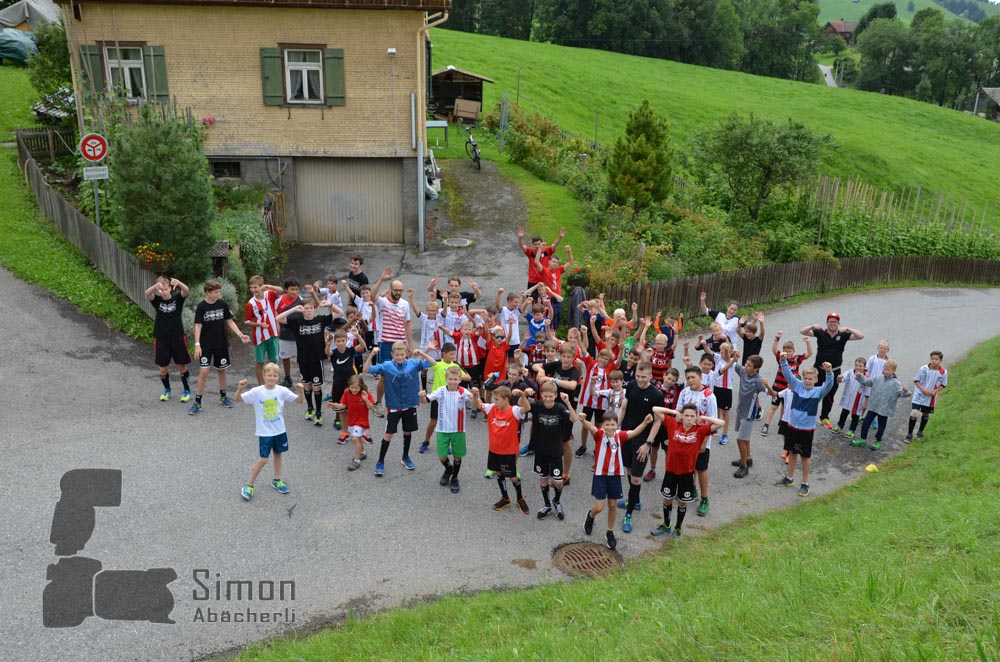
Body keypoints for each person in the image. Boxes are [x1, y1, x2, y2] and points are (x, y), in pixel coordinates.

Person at [580, 410, 652, 550]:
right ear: (603, 425)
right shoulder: (599, 434)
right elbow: (590, 427)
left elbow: (634, 432)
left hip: (615, 476)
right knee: (599, 507)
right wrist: (583, 420)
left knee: (612, 505)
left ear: (617, 424)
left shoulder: (620, 435)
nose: (610, 427)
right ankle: (591, 515)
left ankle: (610, 531)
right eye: (607, 424)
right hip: (600, 475)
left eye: (613, 424)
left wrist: (645, 422)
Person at [650, 404, 724, 538]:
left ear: (695, 417)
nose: (689, 419)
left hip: (687, 473)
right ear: (682, 416)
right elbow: (655, 409)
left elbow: (721, 423)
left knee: (682, 501)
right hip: (671, 470)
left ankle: (678, 529)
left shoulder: (700, 430)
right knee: (667, 499)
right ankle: (666, 525)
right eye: (686, 415)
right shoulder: (673, 424)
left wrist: (703, 418)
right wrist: (674, 412)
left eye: (692, 416)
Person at [234, 363, 304, 500]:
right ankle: (249, 485)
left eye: (275, 375)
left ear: (278, 377)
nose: (272, 378)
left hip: (280, 430)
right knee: (263, 459)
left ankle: (276, 480)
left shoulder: (282, 390)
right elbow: (237, 399)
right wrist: (239, 389)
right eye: (269, 375)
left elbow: (299, 401)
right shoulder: (257, 391)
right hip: (265, 433)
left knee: (278, 454)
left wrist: (301, 391)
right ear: (264, 376)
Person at [365, 342, 436, 476]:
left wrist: (422, 352)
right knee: (388, 434)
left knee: (407, 432)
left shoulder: (413, 364)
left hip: (410, 405)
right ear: (392, 354)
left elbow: (433, 363)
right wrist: (372, 354)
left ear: (406, 354)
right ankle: (380, 461)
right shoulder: (386, 366)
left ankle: (405, 457)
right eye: (397, 355)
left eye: (402, 354)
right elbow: (366, 369)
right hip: (394, 406)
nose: (399, 357)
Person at [616, 362, 666, 533]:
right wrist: (615, 428)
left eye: (644, 377)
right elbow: (624, 407)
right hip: (626, 435)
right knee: (629, 470)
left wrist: (648, 444)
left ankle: (629, 514)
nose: (640, 380)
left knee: (636, 479)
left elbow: (658, 422)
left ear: (650, 376)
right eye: (638, 376)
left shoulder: (657, 395)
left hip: (643, 440)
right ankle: (635, 500)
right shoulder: (631, 385)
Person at [774, 359, 835, 497]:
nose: (807, 381)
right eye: (805, 378)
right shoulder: (797, 385)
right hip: (792, 426)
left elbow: (829, 385)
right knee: (792, 453)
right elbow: (788, 374)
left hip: (806, 430)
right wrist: (783, 361)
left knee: (805, 457)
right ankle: (789, 478)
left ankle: (805, 483)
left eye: (810, 379)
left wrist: (829, 372)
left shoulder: (819, 392)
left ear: (816, 380)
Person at [189, 280, 250, 415]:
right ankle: (197, 402)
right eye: (216, 292)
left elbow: (229, 321)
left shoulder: (222, 304)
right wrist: (197, 344)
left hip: (221, 343)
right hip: (205, 345)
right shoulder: (201, 306)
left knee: (221, 370)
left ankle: (223, 397)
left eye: (219, 292)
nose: (218, 294)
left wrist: (240, 335)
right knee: (204, 372)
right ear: (207, 292)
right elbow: (198, 326)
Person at [518, 383, 575, 519]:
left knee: (558, 482)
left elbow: (573, 418)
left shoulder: (560, 408)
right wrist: (524, 394)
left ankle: (557, 501)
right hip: (540, 450)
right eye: (545, 396)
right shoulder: (537, 405)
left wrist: (567, 403)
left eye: (550, 396)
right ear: (541, 395)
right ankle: (547, 504)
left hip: (555, 451)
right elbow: (521, 404)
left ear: (555, 396)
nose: (548, 399)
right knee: (543, 479)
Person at [275, 294, 332, 426]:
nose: (309, 310)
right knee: (307, 386)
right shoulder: (297, 322)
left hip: (317, 359)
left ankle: (318, 413)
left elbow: (339, 313)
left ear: (314, 309)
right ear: (302, 310)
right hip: (303, 359)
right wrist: (294, 309)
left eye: (311, 308)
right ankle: (310, 408)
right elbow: (278, 318)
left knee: (316, 387)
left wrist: (330, 305)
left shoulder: (320, 320)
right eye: (306, 308)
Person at [800, 313, 865, 428]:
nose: (832, 324)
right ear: (827, 323)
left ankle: (824, 418)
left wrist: (849, 329)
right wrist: (812, 326)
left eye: (835, 322)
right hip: (818, 370)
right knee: (811, 391)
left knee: (830, 395)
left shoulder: (843, 335)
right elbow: (803, 331)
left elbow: (860, 336)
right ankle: (805, 414)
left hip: (834, 371)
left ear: (838, 324)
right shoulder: (821, 332)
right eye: (830, 321)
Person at [471, 385, 529, 514]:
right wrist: (475, 395)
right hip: (494, 450)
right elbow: (478, 405)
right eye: (494, 399)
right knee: (498, 473)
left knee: (513, 477)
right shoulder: (492, 408)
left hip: (508, 452)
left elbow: (527, 408)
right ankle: (505, 498)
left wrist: (523, 395)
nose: (494, 402)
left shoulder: (514, 411)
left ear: (506, 399)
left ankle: (520, 498)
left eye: (497, 399)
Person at [673, 365, 719, 517]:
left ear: (700, 377)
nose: (690, 380)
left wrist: (704, 442)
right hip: (686, 438)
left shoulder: (709, 396)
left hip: (701, 439)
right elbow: (678, 411)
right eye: (688, 378)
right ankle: (690, 489)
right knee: (687, 466)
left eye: (693, 377)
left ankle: (705, 499)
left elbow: (712, 422)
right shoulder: (684, 392)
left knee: (701, 468)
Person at [533, 344, 582, 484]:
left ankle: (565, 473)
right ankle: (552, 467)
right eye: (563, 356)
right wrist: (540, 371)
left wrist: (551, 380)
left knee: (565, 442)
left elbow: (572, 385)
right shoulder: (557, 365)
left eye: (568, 357)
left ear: (573, 358)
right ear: (560, 356)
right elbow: (534, 365)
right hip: (552, 406)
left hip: (566, 409)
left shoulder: (574, 371)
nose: (565, 359)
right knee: (551, 438)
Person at [421, 366, 474, 494]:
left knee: (457, 456)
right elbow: (425, 400)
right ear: (446, 379)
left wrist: (476, 396)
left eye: (455, 379)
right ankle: (449, 469)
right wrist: (422, 396)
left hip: (458, 429)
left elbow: (476, 405)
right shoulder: (440, 391)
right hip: (442, 429)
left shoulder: (464, 392)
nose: (452, 382)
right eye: (450, 379)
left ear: (460, 380)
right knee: (442, 456)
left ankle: (455, 478)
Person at [371, 267, 412, 413]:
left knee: (402, 374)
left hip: (401, 344)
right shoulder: (382, 302)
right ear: (390, 290)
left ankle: (400, 402)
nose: (398, 293)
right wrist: (381, 279)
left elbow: (407, 324)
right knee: (385, 376)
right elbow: (372, 296)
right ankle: (378, 402)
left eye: (400, 290)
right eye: (396, 290)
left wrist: (410, 345)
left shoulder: (405, 304)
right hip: (386, 343)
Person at [145, 276, 191, 403]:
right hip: (161, 338)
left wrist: (179, 282)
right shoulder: (157, 301)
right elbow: (147, 293)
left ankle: (186, 390)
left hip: (177, 338)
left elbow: (186, 291)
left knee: (181, 365)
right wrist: (155, 287)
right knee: (163, 368)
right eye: (161, 290)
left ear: (170, 288)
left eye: (166, 289)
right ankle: (167, 389)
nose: (164, 292)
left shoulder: (177, 299)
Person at [418, 342, 470, 454]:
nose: (453, 356)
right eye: (451, 354)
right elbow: (421, 360)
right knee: (433, 421)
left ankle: (447, 444)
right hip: (438, 397)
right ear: (444, 354)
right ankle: (426, 441)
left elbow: (468, 377)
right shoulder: (438, 363)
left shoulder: (456, 365)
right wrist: (426, 349)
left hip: (452, 398)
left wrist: (456, 377)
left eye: (454, 354)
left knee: (449, 421)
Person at [731, 355, 775, 478]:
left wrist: (767, 385)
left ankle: (744, 466)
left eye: (749, 365)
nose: (745, 366)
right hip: (740, 410)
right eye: (746, 363)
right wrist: (730, 353)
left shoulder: (758, 381)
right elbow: (730, 362)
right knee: (745, 438)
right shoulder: (743, 371)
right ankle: (747, 458)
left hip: (749, 414)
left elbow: (772, 394)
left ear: (756, 369)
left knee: (740, 439)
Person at [853, 360, 910, 451]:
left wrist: (906, 391)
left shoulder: (896, 383)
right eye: (885, 369)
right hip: (873, 406)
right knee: (866, 422)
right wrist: (860, 377)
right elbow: (866, 382)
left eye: (888, 370)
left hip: (885, 409)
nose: (886, 371)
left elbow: (902, 394)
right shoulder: (878, 378)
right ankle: (862, 439)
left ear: (894, 371)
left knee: (881, 425)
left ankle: (877, 441)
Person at [762, 332, 812, 437]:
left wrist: (808, 342)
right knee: (774, 406)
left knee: (785, 406)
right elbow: (774, 350)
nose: (788, 353)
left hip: (790, 388)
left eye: (790, 351)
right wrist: (777, 338)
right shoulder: (781, 358)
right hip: (778, 387)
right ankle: (766, 425)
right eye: (786, 351)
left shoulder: (797, 359)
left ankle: (782, 423)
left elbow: (809, 353)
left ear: (793, 351)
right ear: (783, 351)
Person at [326, 374, 375, 470]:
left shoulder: (365, 394)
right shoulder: (346, 392)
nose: (354, 390)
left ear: (361, 386)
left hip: (361, 421)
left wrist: (366, 400)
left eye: (356, 388)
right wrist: (334, 405)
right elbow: (343, 405)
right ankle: (363, 452)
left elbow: (371, 407)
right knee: (358, 438)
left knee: (355, 438)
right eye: (352, 387)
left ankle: (357, 460)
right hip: (352, 420)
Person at [574, 348, 616, 459]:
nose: (603, 360)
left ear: (609, 361)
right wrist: (580, 338)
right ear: (598, 357)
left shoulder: (610, 368)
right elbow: (584, 352)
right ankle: (583, 446)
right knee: (585, 424)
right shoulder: (592, 364)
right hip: (589, 401)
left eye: (606, 359)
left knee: (598, 427)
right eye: (602, 357)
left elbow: (619, 360)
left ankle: (597, 447)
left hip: (602, 402)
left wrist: (621, 349)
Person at [244, 275, 284, 386]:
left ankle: (272, 383)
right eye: (251, 287)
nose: (253, 290)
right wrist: (259, 324)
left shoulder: (269, 294)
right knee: (260, 362)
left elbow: (281, 291)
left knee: (273, 361)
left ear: (262, 286)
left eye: (255, 287)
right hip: (259, 337)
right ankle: (261, 385)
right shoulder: (251, 303)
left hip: (273, 333)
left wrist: (270, 286)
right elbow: (247, 321)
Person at [326, 329, 365, 439]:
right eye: (338, 341)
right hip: (338, 384)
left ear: (347, 340)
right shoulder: (334, 353)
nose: (341, 343)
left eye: (343, 340)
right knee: (341, 410)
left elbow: (362, 346)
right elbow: (327, 352)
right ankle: (345, 431)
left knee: (353, 408)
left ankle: (356, 429)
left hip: (350, 385)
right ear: (335, 341)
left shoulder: (350, 350)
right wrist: (328, 344)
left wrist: (357, 335)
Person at [906, 351, 947, 442]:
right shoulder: (923, 368)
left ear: (940, 360)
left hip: (930, 397)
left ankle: (920, 432)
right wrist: (922, 389)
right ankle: (909, 434)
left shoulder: (943, 372)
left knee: (925, 414)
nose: (934, 361)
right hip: (919, 394)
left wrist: (935, 391)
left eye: (936, 359)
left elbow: (943, 384)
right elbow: (916, 380)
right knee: (914, 412)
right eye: (932, 359)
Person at [275, 278, 303, 388]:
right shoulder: (279, 300)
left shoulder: (300, 299)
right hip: (285, 333)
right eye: (292, 289)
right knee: (285, 357)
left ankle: (304, 378)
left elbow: (313, 307)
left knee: (301, 357)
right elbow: (275, 314)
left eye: (296, 289)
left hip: (299, 333)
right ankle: (288, 378)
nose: (294, 292)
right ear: (286, 289)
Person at [517, 226, 565, 290]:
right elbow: (522, 246)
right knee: (529, 296)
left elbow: (555, 245)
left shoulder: (547, 251)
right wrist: (520, 238)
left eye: (539, 244)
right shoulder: (530, 252)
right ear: (533, 245)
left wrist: (560, 237)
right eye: (535, 244)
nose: (537, 246)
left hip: (544, 280)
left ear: (541, 243)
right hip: (532, 281)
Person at [832, 358, 868, 438]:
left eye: (860, 366)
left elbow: (868, 389)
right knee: (844, 412)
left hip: (858, 399)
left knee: (855, 415)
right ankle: (840, 425)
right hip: (848, 397)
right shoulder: (850, 372)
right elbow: (843, 378)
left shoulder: (866, 377)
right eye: (856, 365)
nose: (858, 367)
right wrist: (840, 378)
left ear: (864, 367)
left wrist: (866, 402)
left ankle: (852, 429)